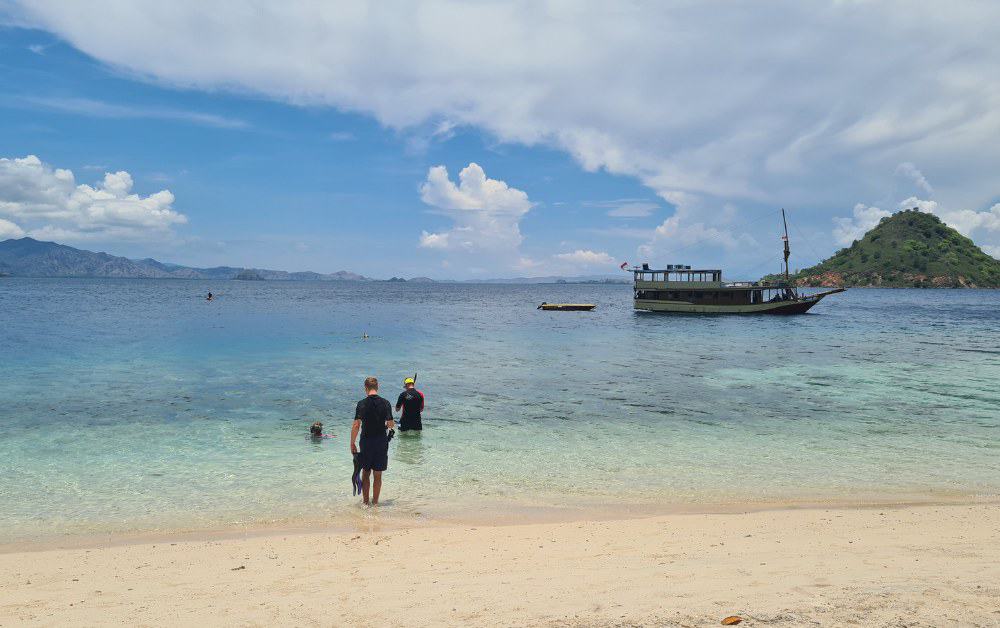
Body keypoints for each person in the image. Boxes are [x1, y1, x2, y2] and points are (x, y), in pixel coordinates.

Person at [350, 376, 394, 505]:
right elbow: (390, 424)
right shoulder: (386, 403)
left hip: (366, 442)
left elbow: (356, 425)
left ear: (365, 388)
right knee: (378, 474)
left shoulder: (361, 404)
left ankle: (365, 503)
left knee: (365, 472)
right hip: (381, 441)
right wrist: (386, 425)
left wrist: (352, 442)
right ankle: (375, 503)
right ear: (377, 387)